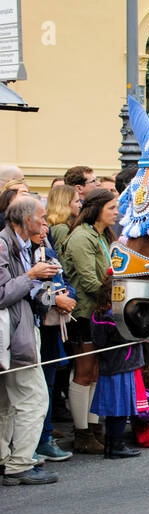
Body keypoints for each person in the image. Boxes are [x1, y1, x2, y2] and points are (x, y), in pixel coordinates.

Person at [0, 196, 60, 485]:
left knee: (8, 402)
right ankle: (20, 463)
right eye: (42, 218)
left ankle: (6, 461)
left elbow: (38, 299)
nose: (46, 224)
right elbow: (2, 294)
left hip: (20, 331)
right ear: (26, 220)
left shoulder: (33, 248)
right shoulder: (2, 245)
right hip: (14, 335)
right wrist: (31, 275)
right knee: (34, 399)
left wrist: (46, 284)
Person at [61, 188, 118, 453]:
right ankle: (82, 433)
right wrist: (114, 299)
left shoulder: (101, 236)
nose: (116, 213)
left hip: (99, 311)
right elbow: (88, 280)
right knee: (83, 373)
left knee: (95, 372)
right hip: (84, 312)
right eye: (112, 208)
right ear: (97, 210)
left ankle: (95, 428)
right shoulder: (82, 237)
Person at [32, 210, 76, 463]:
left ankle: (44, 438)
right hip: (32, 328)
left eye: (46, 222)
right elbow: (28, 289)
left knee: (46, 385)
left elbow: (64, 280)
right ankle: (34, 441)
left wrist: (68, 296)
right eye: (40, 222)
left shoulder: (47, 252)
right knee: (32, 389)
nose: (45, 228)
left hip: (52, 328)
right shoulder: (22, 254)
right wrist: (53, 300)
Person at [88, 278, 143, 459]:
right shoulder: (114, 317)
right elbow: (129, 335)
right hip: (120, 366)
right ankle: (116, 445)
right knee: (119, 410)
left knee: (114, 410)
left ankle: (111, 445)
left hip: (110, 366)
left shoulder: (98, 315)